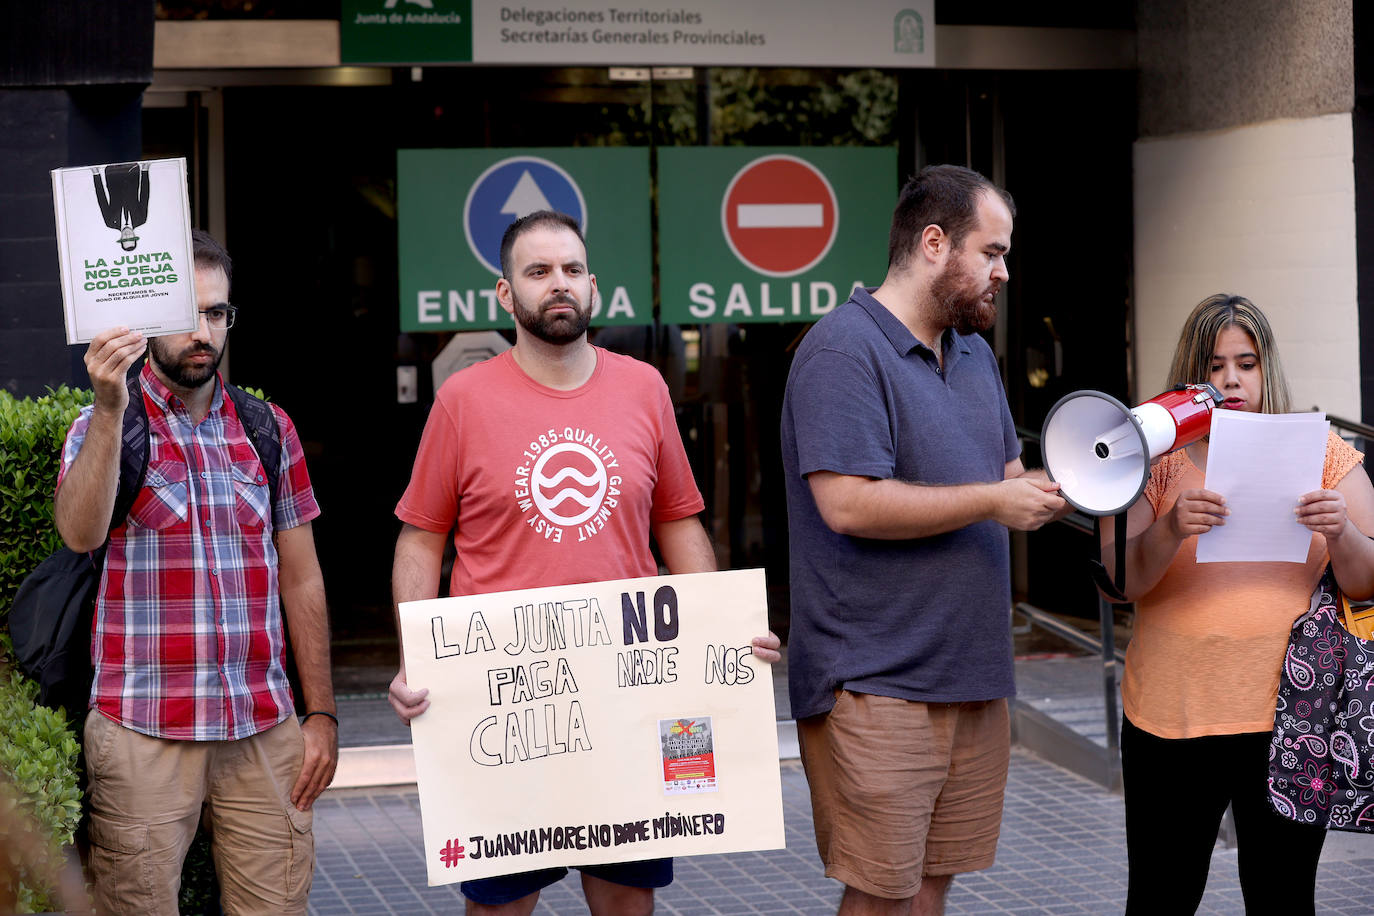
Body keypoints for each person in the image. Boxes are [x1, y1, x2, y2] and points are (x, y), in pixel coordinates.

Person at [387, 209, 781, 916]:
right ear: (506, 296)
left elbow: (678, 525)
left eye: (571, 270)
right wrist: (418, 655)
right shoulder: (462, 401)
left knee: (626, 899)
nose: (557, 284)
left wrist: (721, 632)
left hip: (629, 693)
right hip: (505, 699)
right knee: (502, 906)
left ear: (593, 285)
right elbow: (421, 537)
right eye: (537, 272)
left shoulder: (644, 388)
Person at [780, 164, 1067, 916]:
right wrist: (994, 500)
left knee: (934, 885)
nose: (1005, 272)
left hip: (972, 673)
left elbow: (1009, 478)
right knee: (881, 892)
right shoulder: (842, 350)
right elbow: (846, 504)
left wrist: (1101, 469)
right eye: (993, 252)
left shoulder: (973, 354)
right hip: (875, 679)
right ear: (934, 242)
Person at [54, 229, 337, 915]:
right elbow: (79, 532)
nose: (203, 331)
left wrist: (322, 712)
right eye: (187, 313)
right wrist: (112, 405)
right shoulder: (102, 425)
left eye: (217, 313)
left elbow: (301, 578)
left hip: (262, 726)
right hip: (142, 729)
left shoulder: (268, 429)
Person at [1102, 293, 1374, 914]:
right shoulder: (1152, 459)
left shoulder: (1324, 452)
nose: (1230, 379)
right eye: (1214, 365)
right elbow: (1117, 582)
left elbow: (1367, 581)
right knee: (1159, 899)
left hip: (1291, 725)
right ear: (1190, 375)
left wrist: (1343, 533)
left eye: (1245, 363)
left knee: (1283, 900)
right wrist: (1169, 529)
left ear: (1265, 368)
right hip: (1173, 720)